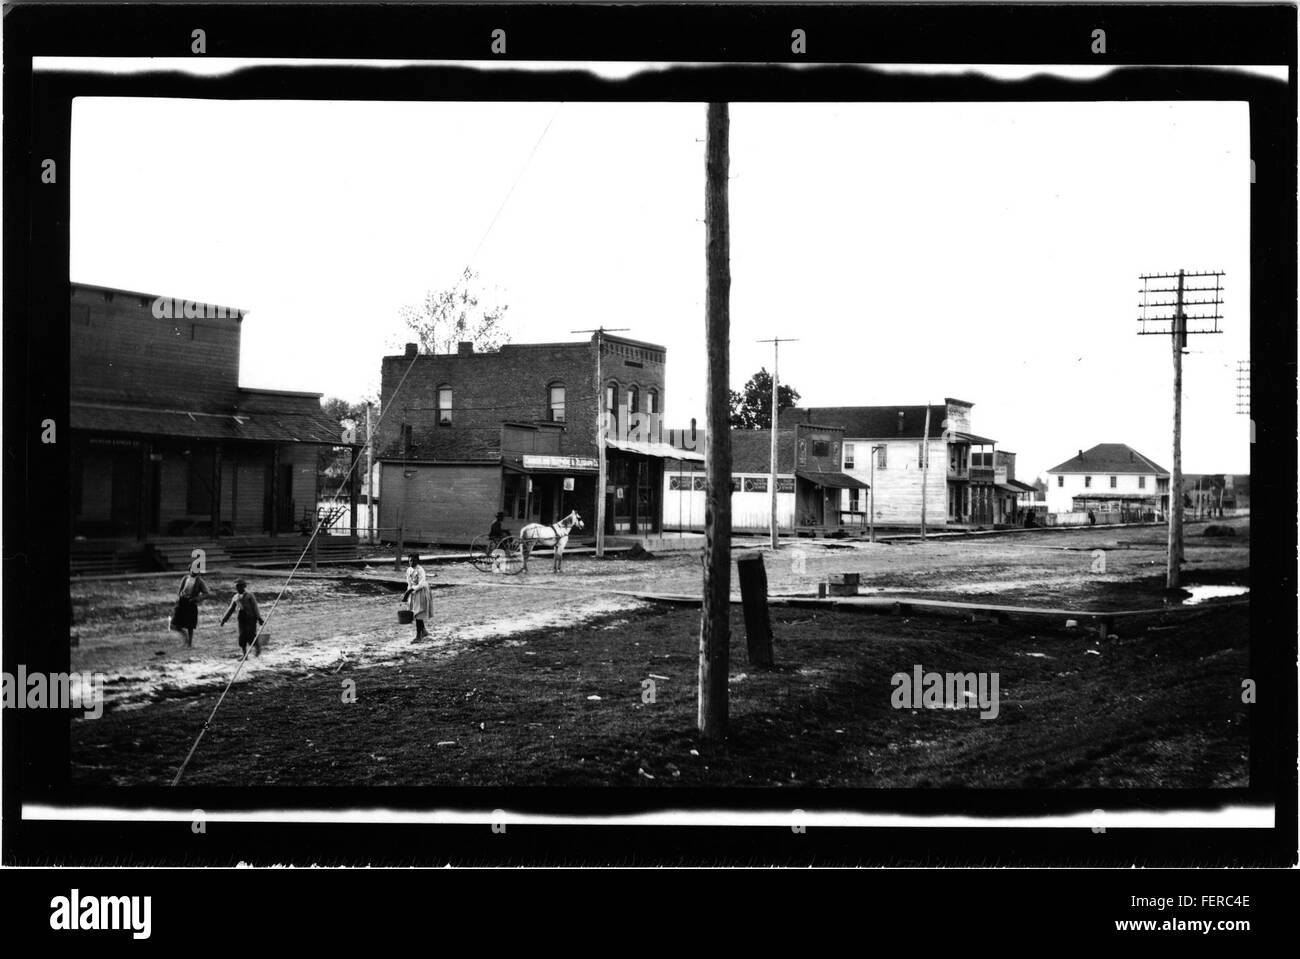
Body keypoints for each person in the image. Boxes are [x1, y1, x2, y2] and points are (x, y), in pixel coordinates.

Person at [220, 578, 265, 657]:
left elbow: (255, 607)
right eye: (237, 586)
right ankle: (245, 655)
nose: (238, 588)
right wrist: (224, 619)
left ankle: (257, 649)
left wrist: (259, 618)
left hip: (250, 619)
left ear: (244, 586)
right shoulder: (235, 597)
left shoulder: (249, 596)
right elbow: (231, 609)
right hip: (241, 619)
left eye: (240, 586)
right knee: (242, 637)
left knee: (251, 636)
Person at [170, 569, 211, 648]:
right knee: (174, 624)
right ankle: (185, 639)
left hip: (191, 603)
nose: (194, 572)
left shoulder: (200, 581)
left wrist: (196, 599)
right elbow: (180, 590)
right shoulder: (185, 578)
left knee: (190, 625)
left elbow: (207, 593)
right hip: (181, 602)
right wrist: (179, 596)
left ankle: (189, 644)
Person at [403, 554, 432, 642]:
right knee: (415, 612)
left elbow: (421, 584)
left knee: (418, 613)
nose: (411, 562)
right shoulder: (409, 570)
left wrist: (410, 591)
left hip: (421, 591)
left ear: (417, 561)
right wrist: (407, 593)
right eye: (410, 560)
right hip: (413, 592)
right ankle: (423, 631)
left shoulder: (420, 570)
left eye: (413, 560)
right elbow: (409, 583)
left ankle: (418, 636)